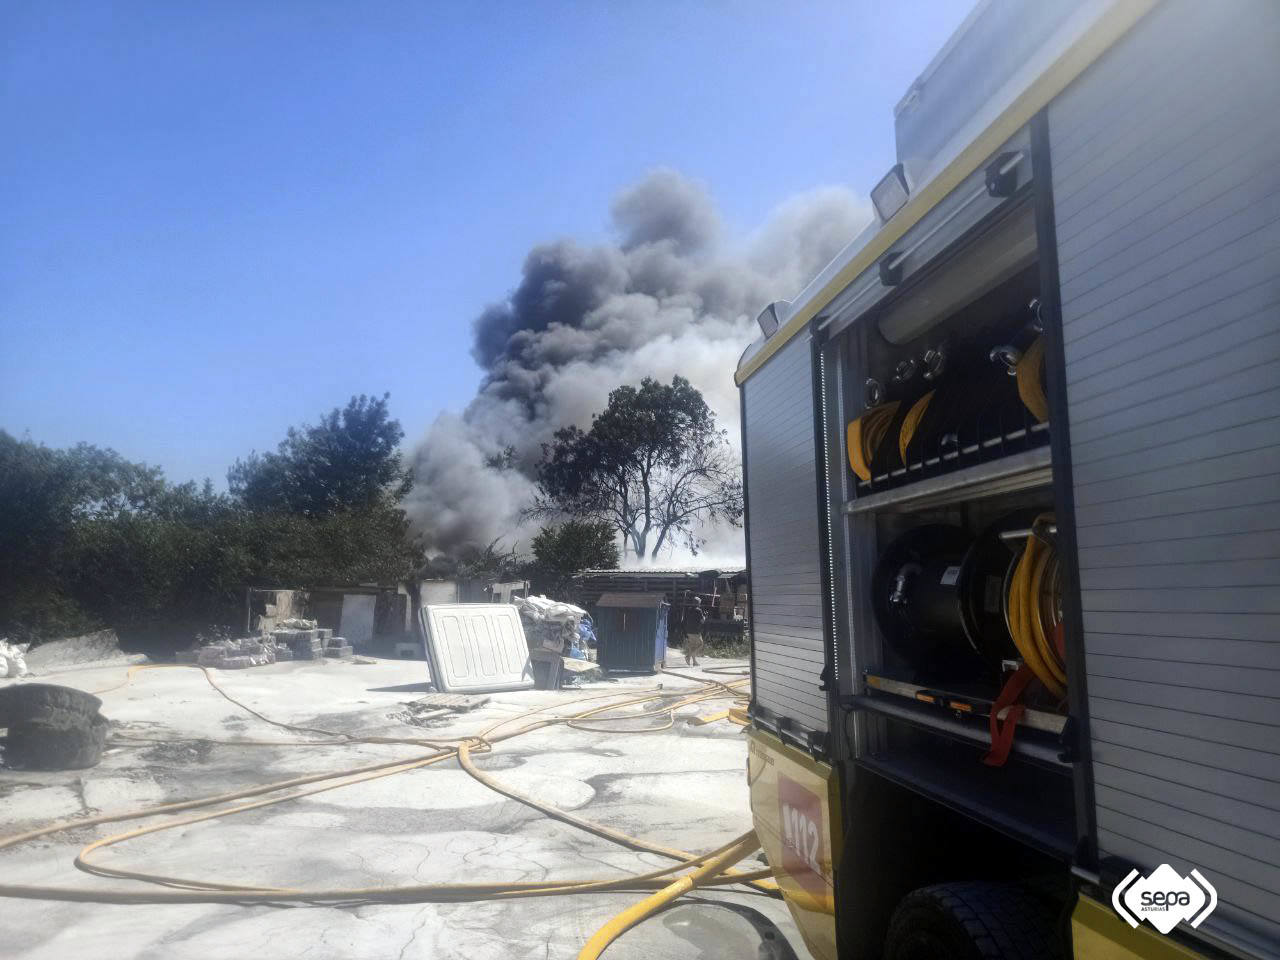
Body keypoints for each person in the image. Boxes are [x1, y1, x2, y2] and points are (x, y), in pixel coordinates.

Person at [684, 596, 706, 667]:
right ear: (698, 603)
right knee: (700, 644)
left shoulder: (689, 609)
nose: (700, 604)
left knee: (693, 646)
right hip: (696, 631)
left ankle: (694, 662)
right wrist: (705, 617)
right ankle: (688, 656)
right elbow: (702, 621)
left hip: (688, 631)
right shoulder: (699, 610)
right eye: (700, 603)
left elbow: (685, 620)